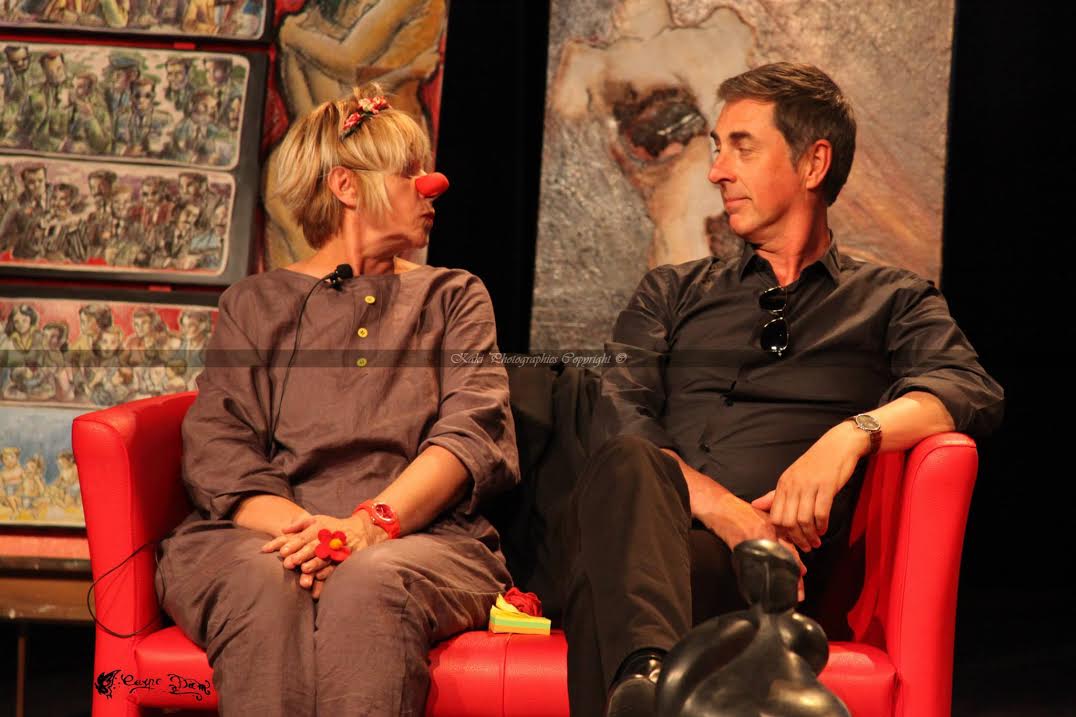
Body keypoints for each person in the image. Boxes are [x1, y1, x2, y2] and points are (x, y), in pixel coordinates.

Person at [560, 62, 1005, 717]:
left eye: (741, 147)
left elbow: (968, 387)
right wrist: (729, 512)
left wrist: (850, 436)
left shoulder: (890, 299)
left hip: (769, 578)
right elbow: (619, 419)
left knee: (608, 578)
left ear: (813, 163)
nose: (717, 171)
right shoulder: (671, 292)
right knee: (628, 465)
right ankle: (650, 678)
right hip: (650, 539)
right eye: (718, 149)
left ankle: (645, 683)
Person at [155, 84, 518, 716]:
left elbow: (470, 434)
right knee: (265, 581)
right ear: (347, 187)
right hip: (267, 533)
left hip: (421, 539)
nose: (431, 187)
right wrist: (313, 538)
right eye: (408, 173)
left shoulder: (454, 297)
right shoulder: (255, 304)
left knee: (370, 582)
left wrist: (366, 529)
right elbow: (221, 445)